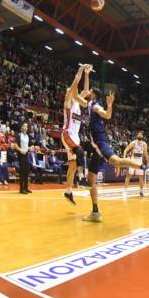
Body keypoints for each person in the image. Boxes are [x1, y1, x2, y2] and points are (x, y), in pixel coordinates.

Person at [82, 88, 149, 222]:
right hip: (96, 147)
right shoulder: (90, 105)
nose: (87, 92)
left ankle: (141, 165)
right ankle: (95, 212)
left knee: (117, 161)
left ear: (94, 94)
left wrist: (109, 105)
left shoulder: (94, 105)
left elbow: (107, 115)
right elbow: (80, 97)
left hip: (100, 144)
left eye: (89, 91)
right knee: (91, 180)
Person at [61, 65, 91, 205]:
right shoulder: (68, 102)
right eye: (70, 90)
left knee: (72, 166)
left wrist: (86, 73)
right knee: (80, 151)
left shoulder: (77, 102)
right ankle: (81, 177)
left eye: (73, 91)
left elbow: (85, 90)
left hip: (75, 136)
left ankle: (68, 191)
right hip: (67, 134)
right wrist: (79, 70)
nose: (72, 91)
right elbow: (75, 84)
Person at [123, 131, 148, 197]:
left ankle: (141, 191)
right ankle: (125, 191)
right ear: (137, 135)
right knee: (129, 175)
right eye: (138, 134)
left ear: (142, 136)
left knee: (141, 177)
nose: (139, 135)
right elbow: (125, 150)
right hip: (133, 160)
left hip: (140, 161)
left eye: (141, 134)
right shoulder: (133, 143)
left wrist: (147, 162)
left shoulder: (144, 144)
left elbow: (145, 154)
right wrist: (124, 158)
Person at [11, 123, 32, 194]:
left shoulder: (27, 136)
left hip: (26, 155)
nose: (25, 127)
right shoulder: (19, 135)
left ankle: (26, 188)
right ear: (22, 127)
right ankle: (21, 189)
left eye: (26, 126)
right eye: (24, 126)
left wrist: (30, 148)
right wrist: (20, 150)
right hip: (21, 155)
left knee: (26, 172)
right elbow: (15, 145)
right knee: (22, 172)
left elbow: (26, 146)